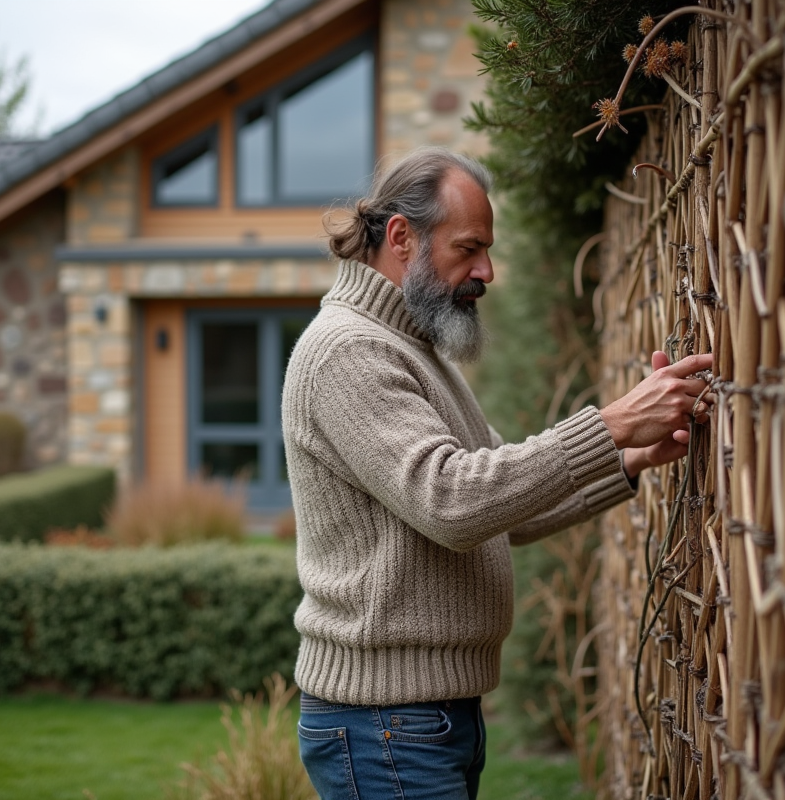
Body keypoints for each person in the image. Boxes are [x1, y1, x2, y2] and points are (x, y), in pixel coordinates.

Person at [282, 147, 712, 799]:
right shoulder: (348, 352)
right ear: (401, 237)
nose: (486, 270)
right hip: (384, 724)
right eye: (469, 248)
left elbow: (502, 506)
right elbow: (452, 501)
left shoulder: (412, 350)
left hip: (421, 717)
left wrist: (629, 456)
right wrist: (612, 423)